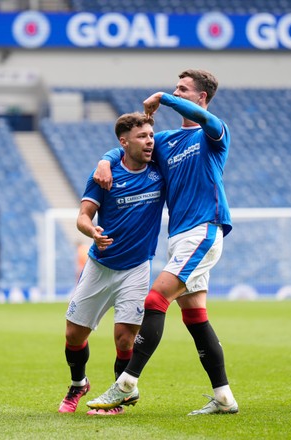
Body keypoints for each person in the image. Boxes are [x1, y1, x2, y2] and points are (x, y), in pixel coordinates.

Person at [87, 69, 238, 416]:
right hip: (179, 236)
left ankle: (125, 384)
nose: (176, 92)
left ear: (202, 98)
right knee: (195, 316)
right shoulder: (167, 141)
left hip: (204, 229)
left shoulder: (214, 133)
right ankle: (224, 397)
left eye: (183, 90)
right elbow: (128, 147)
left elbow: (205, 119)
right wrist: (105, 160)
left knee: (155, 299)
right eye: (174, 88)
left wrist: (163, 98)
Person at [58, 112, 165, 415]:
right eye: (142, 136)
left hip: (137, 268)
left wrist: (107, 156)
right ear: (124, 141)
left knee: (125, 337)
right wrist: (91, 231)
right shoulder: (104, 176)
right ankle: (79, 384)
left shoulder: (160, 169)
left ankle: (117, 396)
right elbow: (82, 216)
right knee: (73, 335)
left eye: (151, 136)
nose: (149, 141)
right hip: (100, 266)